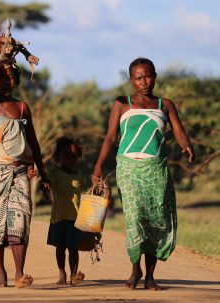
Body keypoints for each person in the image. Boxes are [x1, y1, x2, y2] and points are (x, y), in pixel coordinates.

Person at [92, 58, 195, 291]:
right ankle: (134, 268)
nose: (144, 82)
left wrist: (186, 145)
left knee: (155, 221)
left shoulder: (165, 104)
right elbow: (110, 137)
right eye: (138, 78)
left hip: (156, 169)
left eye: (147, 76)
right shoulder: (122, 104)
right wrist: (98, 166)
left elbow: (178, 130)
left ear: (155, 76)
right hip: (128, 168)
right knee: (136, 217)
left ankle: (149, 276)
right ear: (132, 80)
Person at [0, 35, 50, 288]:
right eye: (2, 76)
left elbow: (33, 142)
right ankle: (0, 273)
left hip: (19, 171)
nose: (8, 80)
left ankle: (19, 272)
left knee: (20, 220)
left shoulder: (22, 108)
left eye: (12, 76)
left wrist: (43, 171)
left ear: (17, 80)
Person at [47, 136, 86, 286]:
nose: (70, 158)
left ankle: (74, 274)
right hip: (58, 218)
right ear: (58, 157)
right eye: (66, 155)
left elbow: (84, 193)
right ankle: (62, 272)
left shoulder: (79, 176)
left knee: (73, 248)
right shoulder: (54, 173)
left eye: (74, 155)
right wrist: (45, 186)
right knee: (60, 248)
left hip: (75, 219)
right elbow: (48, 185)